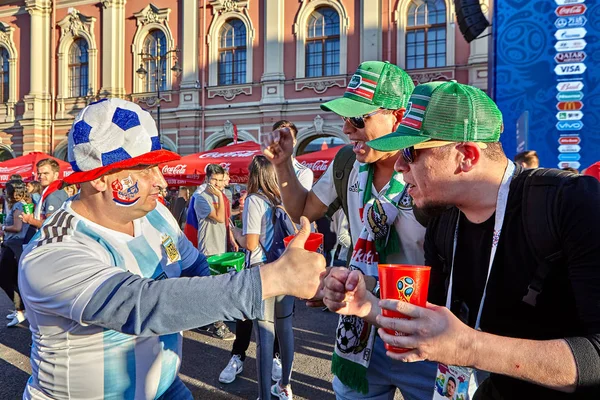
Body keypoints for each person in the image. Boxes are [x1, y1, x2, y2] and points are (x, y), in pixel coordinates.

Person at [18, 98, 326, 400]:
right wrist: (269, 279)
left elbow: (197, 271)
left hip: (168, 389)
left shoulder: (156, 215)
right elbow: (144, 306)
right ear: (102, 178)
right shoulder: (53, 251)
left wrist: (303, 279)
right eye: (145, 170)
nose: (161, 181)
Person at [323, 81, 600, 399]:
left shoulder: (572, 203)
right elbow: (431, 322)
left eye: (411, 151)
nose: (399, 165)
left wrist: (470, 347)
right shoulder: (441, 221)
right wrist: (364, 304)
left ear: (466, 156)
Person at [262, 61, 436, 399]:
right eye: (345, 118)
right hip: (359, 334)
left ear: (398, 117)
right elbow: (302, 211)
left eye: (359, 119)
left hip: (423, 333)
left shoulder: (429, 169)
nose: (347, 129)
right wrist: (283, 165)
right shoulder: (347, 164)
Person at [223, 156, 296, 399]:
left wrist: (236, 233)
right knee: (285, 331)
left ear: (254, 175)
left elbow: (252, 243)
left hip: (262, 273)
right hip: (285, 270)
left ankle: (264, 395)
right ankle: (285, 385)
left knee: (265, 336)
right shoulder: (283, 199)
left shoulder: (254, 200)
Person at [186, 164, 237, 340]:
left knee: (216, 286)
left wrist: (230, 236)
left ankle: (205, 320)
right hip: (208, 247)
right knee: (212, 287)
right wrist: (219, 197)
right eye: (214, 179)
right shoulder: (200, 196)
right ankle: (216, 324)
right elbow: (218, 217)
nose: (217, 183)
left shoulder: (216, 195)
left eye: (219, 179)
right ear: (207, 179)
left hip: (219, 246)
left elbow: (224, 221)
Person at [0, 180, 31, 327]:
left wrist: (4, 228)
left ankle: (21, 310)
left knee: (6, 278)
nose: (4, 193)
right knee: (11, 278)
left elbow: (17, 227)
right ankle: (19, 309)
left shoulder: (19, 205)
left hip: (14, 245)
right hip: (14, 245)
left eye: (6, 190)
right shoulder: (21, 204)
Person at [21, 158, 69, 234]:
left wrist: (30, 220)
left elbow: (52, 224)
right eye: (39, 174)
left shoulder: (54, 194)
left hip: (51, 242)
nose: (41, 176)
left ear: (56, 174)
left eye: (46, 173)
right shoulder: (49, 191)